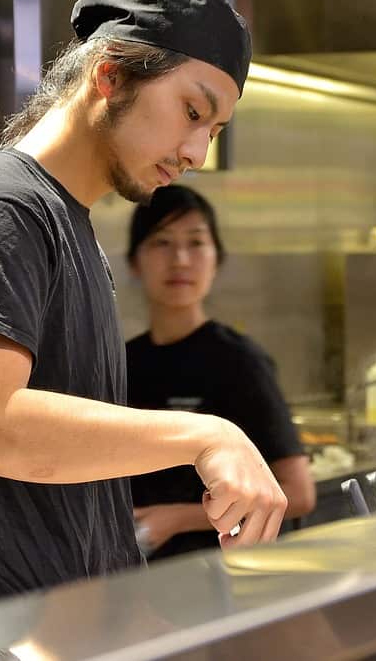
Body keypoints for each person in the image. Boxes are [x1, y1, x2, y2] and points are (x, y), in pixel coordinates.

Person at [0, 0, 288, 631]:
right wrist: (207, 434)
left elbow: (66, 503)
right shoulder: (0, 209)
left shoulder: (67, 225)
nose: (198, 151)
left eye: (215, 129)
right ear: (110, 75)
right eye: (193, 112)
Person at [125, 185, 316, 559]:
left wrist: (177, 518)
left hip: (216, 575)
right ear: (135, 262)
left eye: (195, 243)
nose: (180, 259)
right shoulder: (121, 360)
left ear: (217, 259)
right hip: (132, 577)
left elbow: (298, 493)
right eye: (161, 243)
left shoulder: (238, 361)